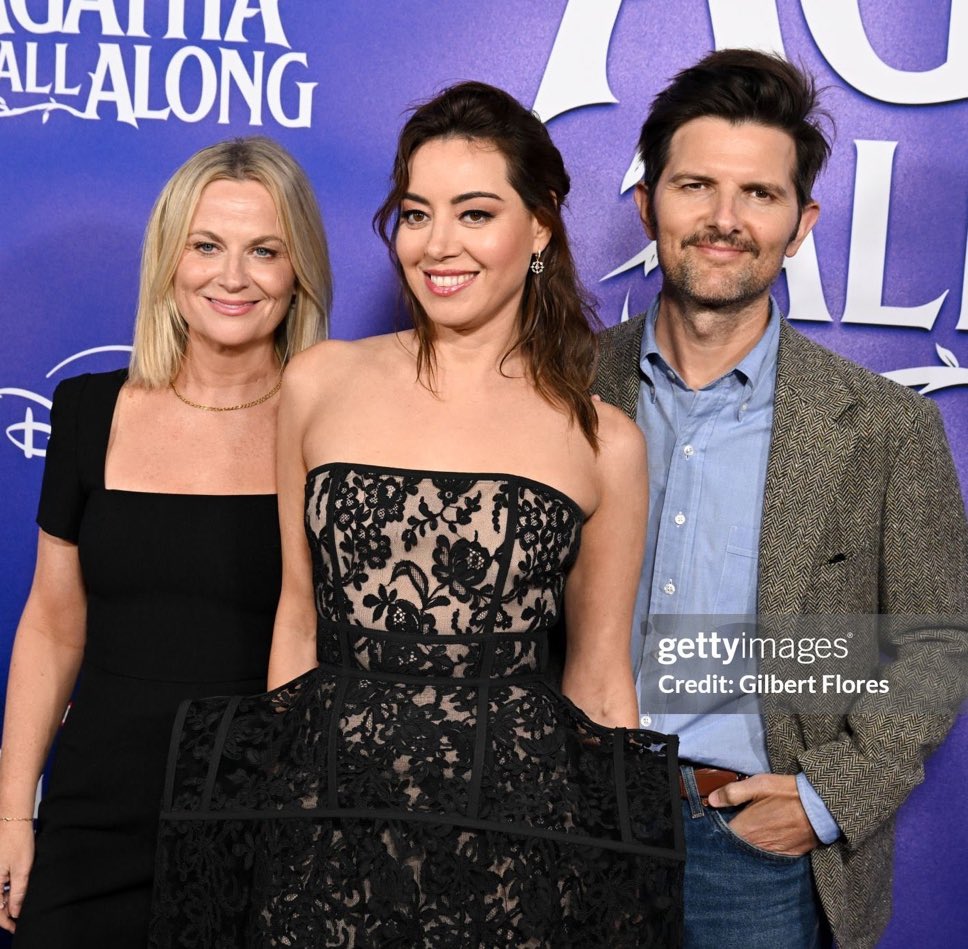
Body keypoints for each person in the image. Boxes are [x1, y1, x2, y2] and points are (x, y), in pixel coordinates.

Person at [149, 82, 683, 947]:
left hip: (514, 839)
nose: (438, 246)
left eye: (475, 214)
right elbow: (297, 618)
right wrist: (286, 819)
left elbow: (597, 681)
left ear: (540, 226)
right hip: (327, 826)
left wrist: (620, 883)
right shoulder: (319, 379)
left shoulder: (604, 441)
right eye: (415, 213)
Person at [594, 49, 968, 949]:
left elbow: (935, 637)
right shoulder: (562, 387)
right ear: (647, 205)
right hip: (576, 823)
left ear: (800, 224)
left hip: (753, 852)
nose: (725, 220)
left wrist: (828, 796)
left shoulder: (883, 428)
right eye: (696, 186)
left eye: (759, 195)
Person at [0, 136, 331, 946]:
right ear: (168, 259)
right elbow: (51, 622)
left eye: (265, 251)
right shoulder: (87, 411)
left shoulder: (334, 431)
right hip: (91, 818)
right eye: (206, 245)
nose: (231, 275)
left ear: (299, 274)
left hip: (260, 825)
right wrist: (13, 809)